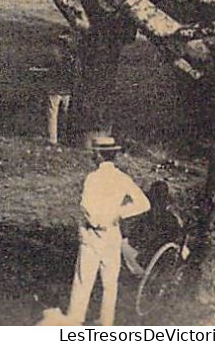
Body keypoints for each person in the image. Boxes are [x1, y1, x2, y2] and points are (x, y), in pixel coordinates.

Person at [63, 132, 151, 326]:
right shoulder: (122, 178)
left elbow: (86, 207)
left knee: (83, 282)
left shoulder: (92, 178)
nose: (93, 157)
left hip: (93, 236)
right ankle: (106, 324)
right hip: (112, 234)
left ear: (100, 156)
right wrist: (119, 213)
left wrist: (97, 222)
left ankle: (74, 323)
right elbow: (144, 204)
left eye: (94, 154)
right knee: (110, 285)